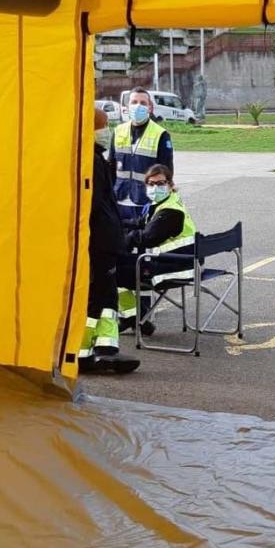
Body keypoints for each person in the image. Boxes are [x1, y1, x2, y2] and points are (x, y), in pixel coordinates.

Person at [77, 107, 139, 374]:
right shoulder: (91, 161)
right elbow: (95, 207)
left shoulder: (94, 159)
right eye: (103, 127)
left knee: (101, 299)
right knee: (101, 298)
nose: (107, 132)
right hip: (101, 242)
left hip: (103, 239)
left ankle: (96, 350)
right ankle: (96, 351)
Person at [116, 164, 197, 335]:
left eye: (160, 183)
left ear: (170, 184)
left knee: (110, 271)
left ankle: (135, 318)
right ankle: (136, 318)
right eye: (151, 184)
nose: (155, 187)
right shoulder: (164, 202)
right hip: (171, 261)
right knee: (112, 264)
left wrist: (122, 239)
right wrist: (116, 224)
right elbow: (142, 223)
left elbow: (147, 237)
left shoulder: (170, 212)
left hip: (174, 267)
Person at [109, 87, 174, 223]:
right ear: (127, 107)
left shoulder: (161, 134)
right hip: (120, 199)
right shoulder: (118, 131)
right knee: (120, 242)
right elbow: (110, 166)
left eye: (143, 103)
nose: (138, 106)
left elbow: (167, 171)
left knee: (143, 240)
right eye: (134, 102)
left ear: (150, 108)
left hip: (146, 201)